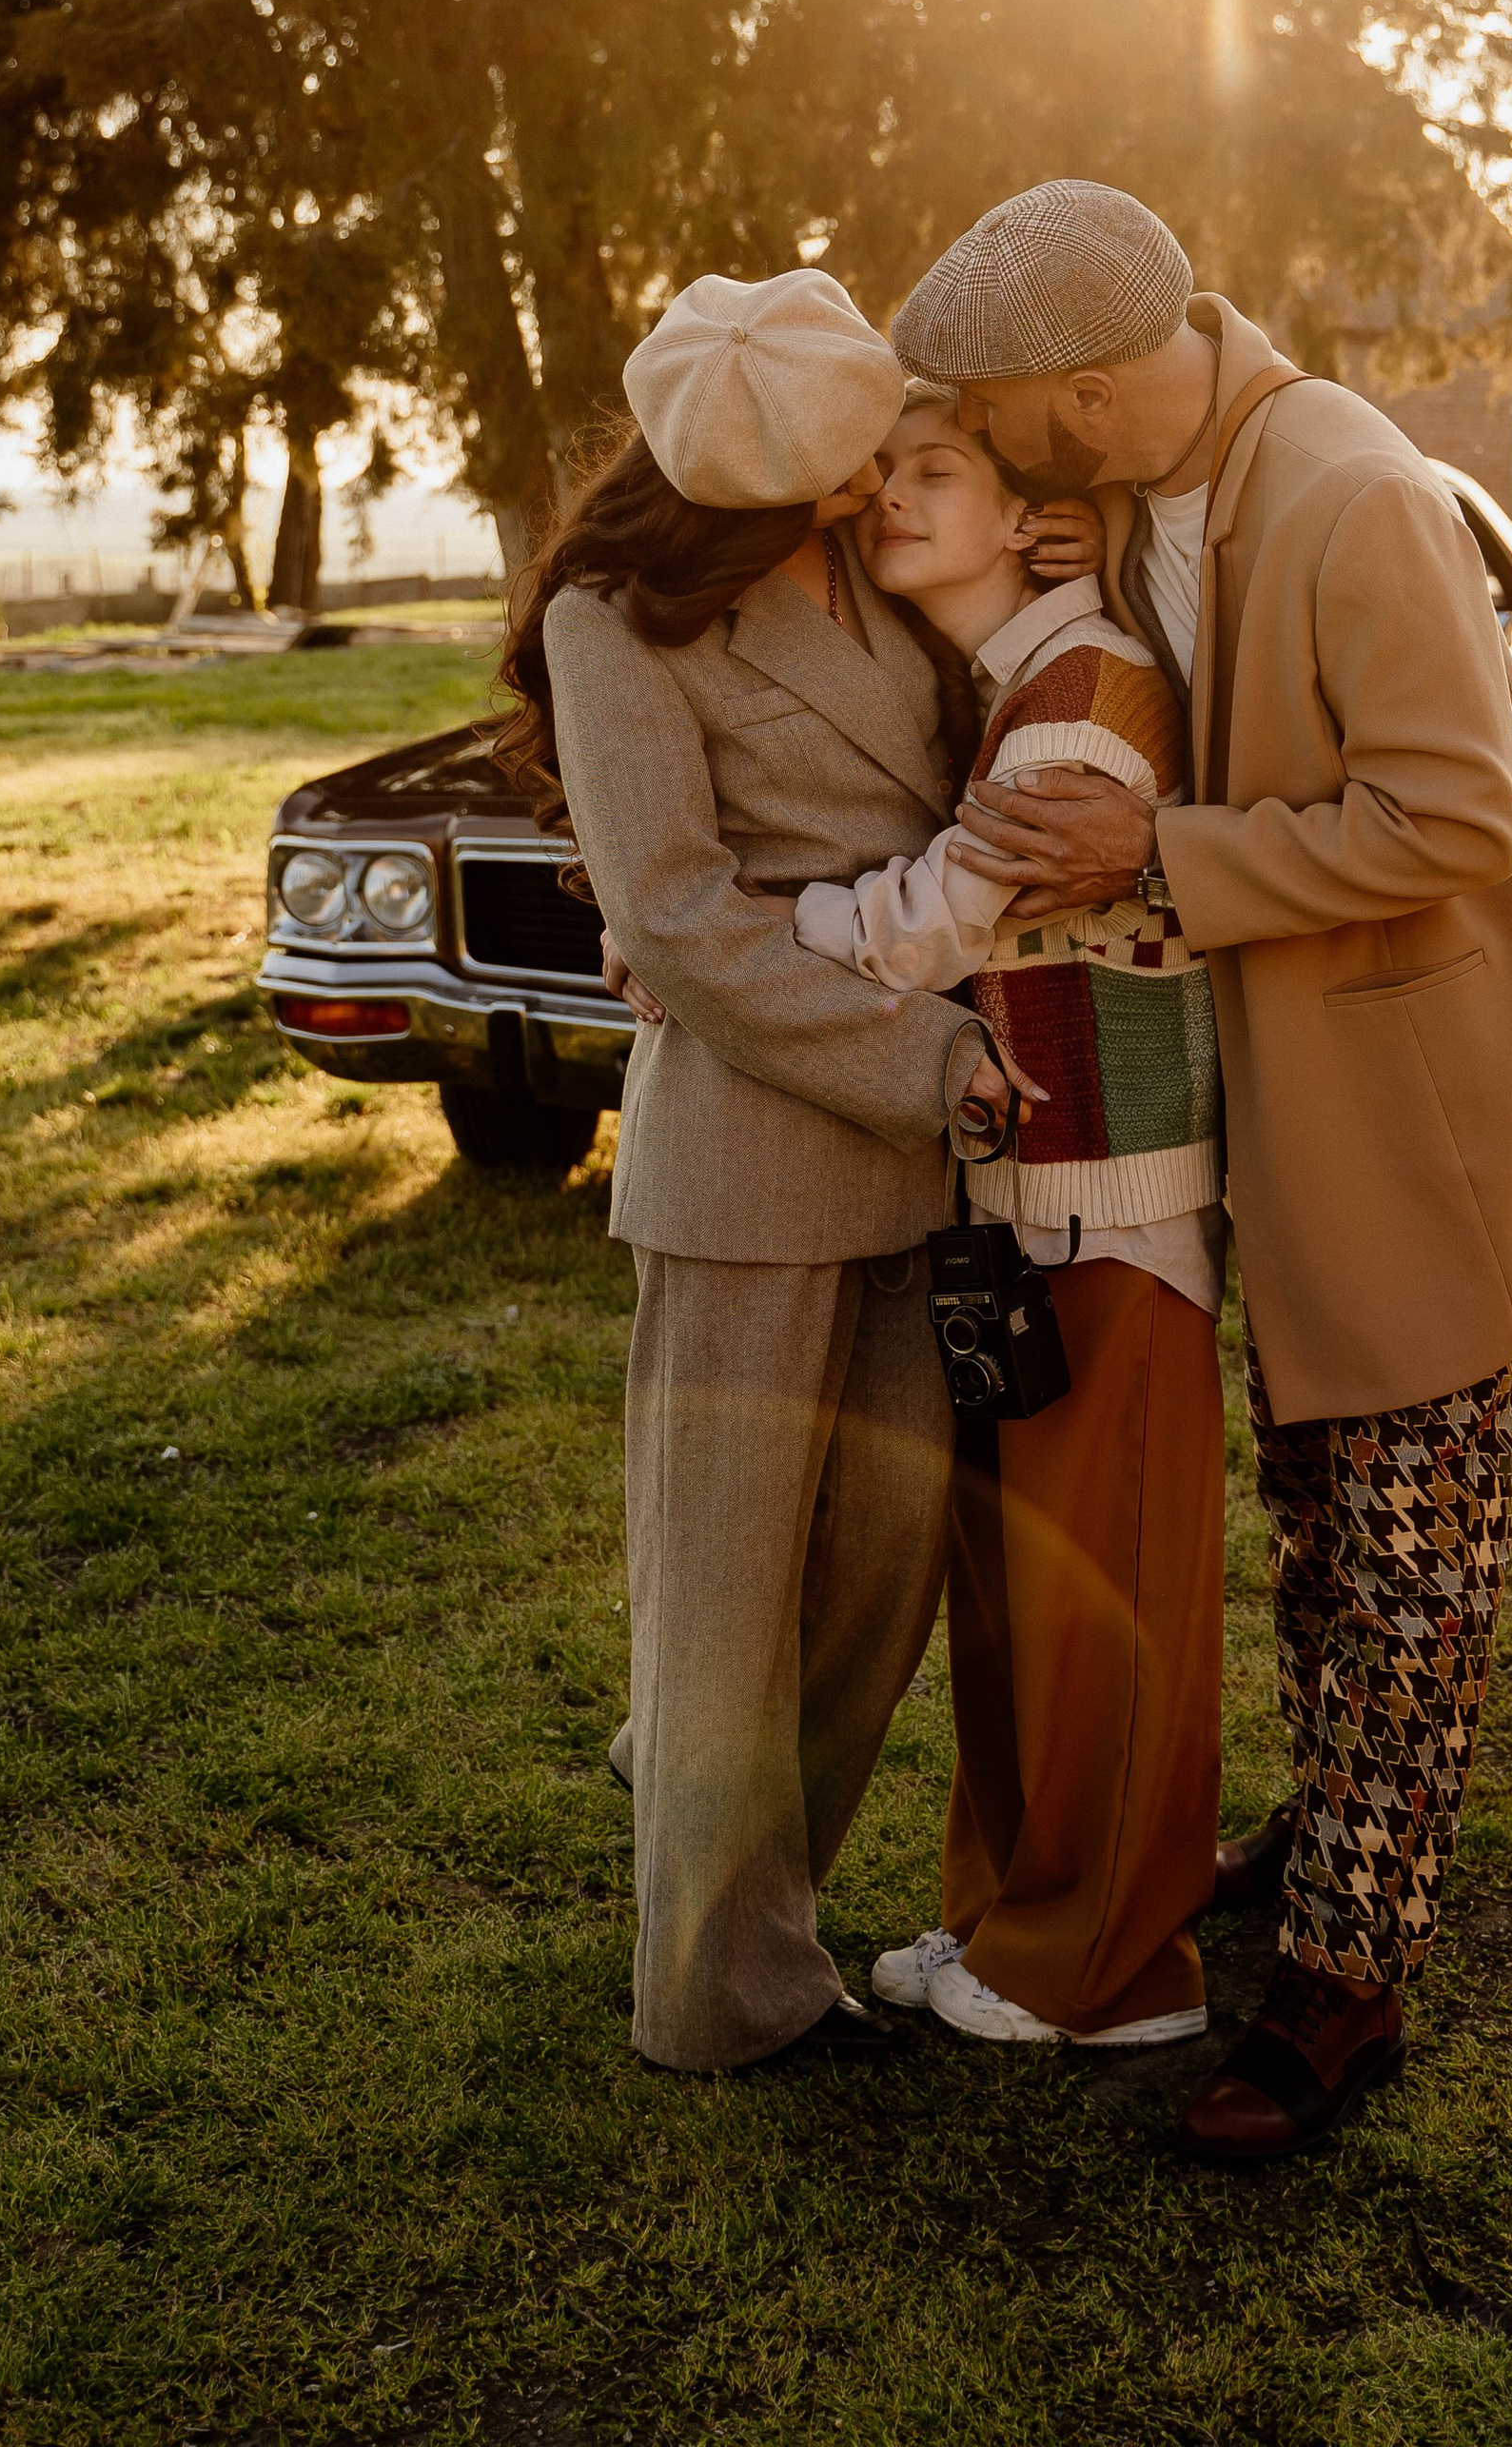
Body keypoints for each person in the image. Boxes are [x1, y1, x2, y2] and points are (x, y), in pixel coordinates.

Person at [890, 182, 1512, 2163]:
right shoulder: (1153, 484)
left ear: (1088, 394)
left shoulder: (1354, 495)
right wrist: (1073, 549)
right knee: (1314, 1518)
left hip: (1426, 1108)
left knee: (1403, 1561)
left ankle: (1342, 1987)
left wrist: (1162, 858)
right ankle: (1328, 1834)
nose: (988, 451)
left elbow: (1457, 813)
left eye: (1000, 421)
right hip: (1292, 1107)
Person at [495, 266, 1025, 2075]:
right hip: (754, 1158)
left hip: (923, 1172)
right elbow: (678, 921)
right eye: (852, 460)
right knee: (726, 1602)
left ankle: (713, 1818)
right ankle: (722, 1994)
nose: (885, 474)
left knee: (878, 1588)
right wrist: (929, 1063)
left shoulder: (892, 558)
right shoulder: (610, 622)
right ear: (761, 483)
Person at [790, 388, 1226, 2049]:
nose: (890, 498)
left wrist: (716, 934)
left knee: (1107, 1607)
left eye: (936, 472)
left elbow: (932, 924)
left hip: (1119, 1213)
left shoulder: (1084, 699)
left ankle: (1109, 1972)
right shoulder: (1004, 690)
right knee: (1018, 1604)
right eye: (882, 474)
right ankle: (1003, 1921)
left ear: (1024, 506)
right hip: (1028, 1215)